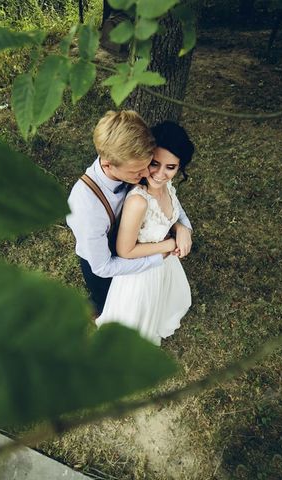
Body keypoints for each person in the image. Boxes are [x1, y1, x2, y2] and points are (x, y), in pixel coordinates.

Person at [66, 111, 193, 316]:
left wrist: (181, 226)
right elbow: (103, 266)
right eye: (137, 172)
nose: (147, 175)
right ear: (108, 164)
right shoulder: (85, 207)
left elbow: (164, 200)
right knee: (108, 304)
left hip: (137, 250)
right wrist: (158, 256)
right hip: (106, 264)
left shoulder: (132, 163)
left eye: (146, 166)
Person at [95, 121, 194, 345]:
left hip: (163, 267)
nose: (160, 174)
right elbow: (125, 250)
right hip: (140, 274)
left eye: (171, 167)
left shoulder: (166, 186)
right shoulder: (139, 201)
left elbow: (170, 214)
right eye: (155, 164)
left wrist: (181, 228)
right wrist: (169, 245)